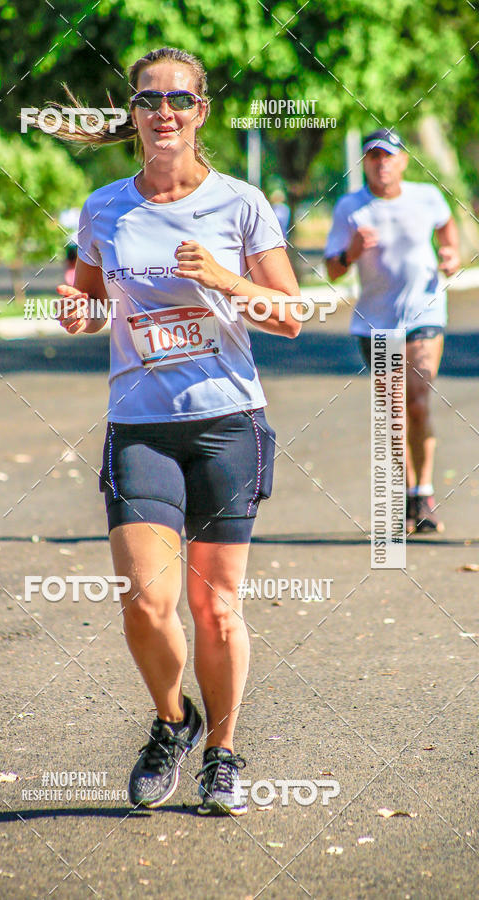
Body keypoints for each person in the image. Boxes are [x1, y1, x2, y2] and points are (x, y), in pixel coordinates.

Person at [44, 47, 301, 815]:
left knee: (217, 606)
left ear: (202, 111)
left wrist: (223, 279)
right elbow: (87, 300)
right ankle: (172, 722)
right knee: (145, 602)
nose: (165, 112)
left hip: (228, 423)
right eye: (150, 99)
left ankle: (222, 750)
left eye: (180, 99)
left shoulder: (241, 203)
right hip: (141, 427)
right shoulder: (105, 208)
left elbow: (290, 315)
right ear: (132, 112)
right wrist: (77, 310)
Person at [324, 128, 460, 534]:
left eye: (388, 156)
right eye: (373, 157)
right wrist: (353, 251)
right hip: (375, 321)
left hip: (425, 310)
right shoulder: (351, 207)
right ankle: (407, 496)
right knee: (396, 412)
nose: (381, 163)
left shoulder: (426, 197)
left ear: (403, 160)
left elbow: (447, 232)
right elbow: (332, 269)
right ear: (365, 163)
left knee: (418, 400)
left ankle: (425, 491)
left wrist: (451, 255)